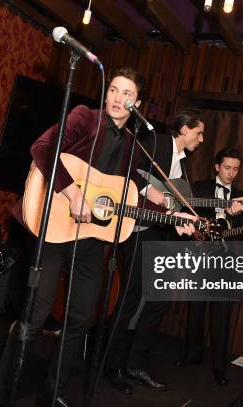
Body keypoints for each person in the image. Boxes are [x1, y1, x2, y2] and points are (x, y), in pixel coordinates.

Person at [0, 67, 197, 407]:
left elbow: (130, 196)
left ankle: (51, 392)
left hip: (88, 237)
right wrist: (73, 194)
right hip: (53, 224)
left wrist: (173, 217)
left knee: (84, 316)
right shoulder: (85, 118)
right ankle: (3, 397)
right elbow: (42, 149)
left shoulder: (132, 144)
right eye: (114, 90)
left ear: (137, 103)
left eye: (126, 94)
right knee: (36, 314)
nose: (118, 98)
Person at [104, 109, 205, 395]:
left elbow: (176, 204)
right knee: (130, 298)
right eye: (199, 132)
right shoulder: (158, 142)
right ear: (184, 130)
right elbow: (125, 165)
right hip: (139, 229)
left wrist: (190, 222)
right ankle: (111, 365)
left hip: (162, 234)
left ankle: (135, 363)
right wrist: (150, 189)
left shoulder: (184, 165)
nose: (201, 139)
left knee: (159, 300)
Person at [174, 147, 243, 386]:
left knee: (221, 315)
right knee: (196, 309)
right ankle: (192, 355)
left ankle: (220, 368)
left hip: (227, 262)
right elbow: (187, 220)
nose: (231, 173)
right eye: (227, 168)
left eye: (236, 169)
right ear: (217, 167)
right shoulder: (200, 189)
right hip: (200, 257)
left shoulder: (242, 197)